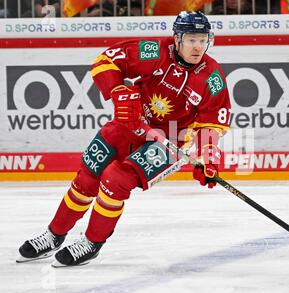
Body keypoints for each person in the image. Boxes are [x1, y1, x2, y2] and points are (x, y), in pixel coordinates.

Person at [16, 11, 231, 267]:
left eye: (202, 40)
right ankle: (54, 234)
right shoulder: (155, 51)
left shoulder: (212, 76)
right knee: (88, 176)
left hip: (170, 140)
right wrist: (117, 90)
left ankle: (92, 242)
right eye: (191, 40)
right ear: (177, 39)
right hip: (131, 124)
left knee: (116, 179)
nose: (198, 47)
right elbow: (106, 60)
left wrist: (209, 157)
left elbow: (212, 122)